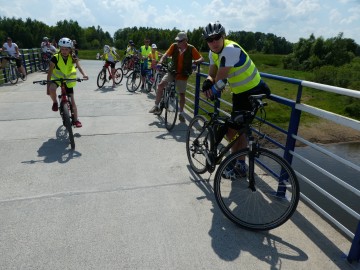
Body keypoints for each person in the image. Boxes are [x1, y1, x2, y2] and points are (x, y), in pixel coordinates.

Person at [201, 22, 271, 178]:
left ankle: (239, 164)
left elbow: (219, 81)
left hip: (254, 90)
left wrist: (210, 90)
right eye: (209, 40)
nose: (214, 42)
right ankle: (237, 162)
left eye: (217, 38)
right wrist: (207, 80)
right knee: (235, 130)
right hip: (239, 94)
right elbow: (212, 74)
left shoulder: (231, 50)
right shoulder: (213, 53)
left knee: (238, 129)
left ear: (223, 36)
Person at [149, 31, 204, 123]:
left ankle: (181, 113)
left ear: (186, 40)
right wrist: (160, 62)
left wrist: (195, 62)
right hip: (172, 71)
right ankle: (156, 106)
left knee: (182, 94)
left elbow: (201, 58)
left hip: (183, 74)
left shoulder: (191, 48)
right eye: (177, 41)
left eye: (180, 41)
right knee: (161, 85)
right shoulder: (174, 46)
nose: (178, 43)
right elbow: (166, 55)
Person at [47, 37, 88, 128]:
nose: (64, 51)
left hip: (68, 80)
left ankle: (76, 120)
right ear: (59, 48)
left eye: (66, 49)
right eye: (62, 49)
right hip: (57, 78)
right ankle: (55, 102)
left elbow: (79, 66)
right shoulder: (55, 58)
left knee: (72, 101)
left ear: (70, 49)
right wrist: (48, 87)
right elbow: (50, 72)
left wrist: (84, 74)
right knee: (52, 89)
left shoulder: (73, 57)